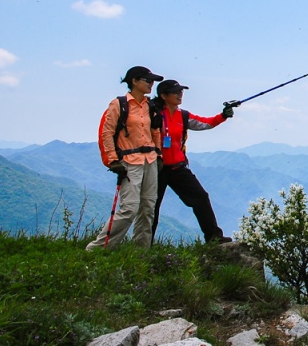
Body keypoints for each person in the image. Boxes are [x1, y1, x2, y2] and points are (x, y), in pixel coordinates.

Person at [87, 66, 163, 250]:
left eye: (152, 81)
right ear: (134, 81)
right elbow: (107, 132)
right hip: (129, 161)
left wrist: (159, 154)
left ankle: (141, 251)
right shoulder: (119, 104)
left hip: (150, 160)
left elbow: (155, 131)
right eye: (147, 80)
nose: (151, 84)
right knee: (129, 208)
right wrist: (113, 160)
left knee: (148, 208)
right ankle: (98, 248)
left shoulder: (149, 105)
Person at [151, 79, 234, 244]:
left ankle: (213, 237)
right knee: (151, 207)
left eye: (181, 91)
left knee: (201, 197)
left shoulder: (183, 115)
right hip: (155, 168)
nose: (180, 94)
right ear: (163, 95)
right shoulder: (153, 114)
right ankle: (145, 243)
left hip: (177, 167)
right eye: (176, 92)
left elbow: (205, 123)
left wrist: (223, 115)